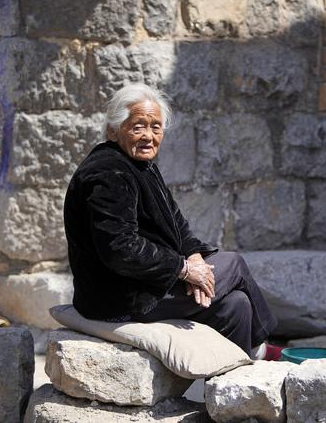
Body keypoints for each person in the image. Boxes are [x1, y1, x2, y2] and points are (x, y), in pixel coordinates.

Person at [63, 83, 280, 360]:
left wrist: (195, 258)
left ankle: (231, 392)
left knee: (236, 305)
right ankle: (267, 349)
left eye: (156, 127)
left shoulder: (140, 165)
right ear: (113, 131)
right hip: (119, 297)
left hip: (148, 283)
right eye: (138, 126)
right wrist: (182, 268)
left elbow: (176, 222)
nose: (148, 136)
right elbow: (120, 248)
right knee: (234, 264)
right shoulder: (108, 171)